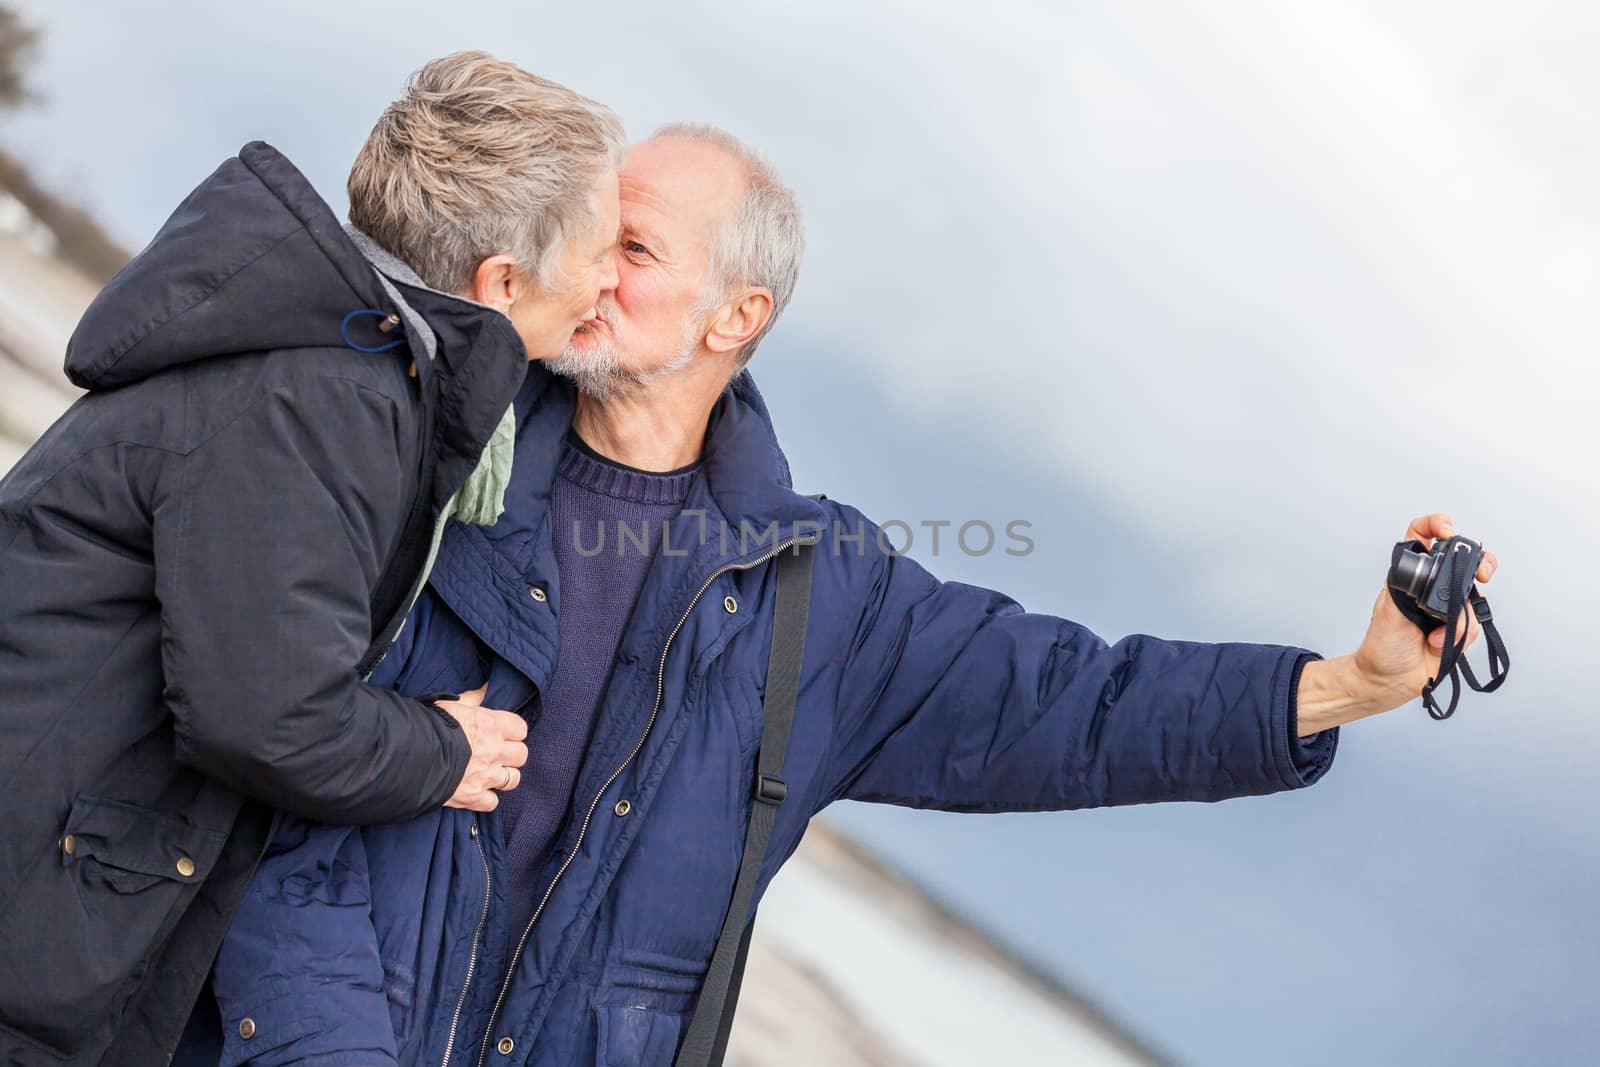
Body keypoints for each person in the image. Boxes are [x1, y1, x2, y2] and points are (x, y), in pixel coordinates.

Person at [204, 124, 1499, 1067]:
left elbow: (1077, 699)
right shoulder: (433, 461)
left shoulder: (826, 597)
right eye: (590, 237)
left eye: (636, 247)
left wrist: (1351, 680)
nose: (589, 269)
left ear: (735, 313)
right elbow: (277, 789)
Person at [0, 52, 624, 1066]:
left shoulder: (346, 370)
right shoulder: (322, 396)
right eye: (602, 249)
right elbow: (265, 713)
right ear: (502, 280)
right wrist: (446, 752)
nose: (609, 278)